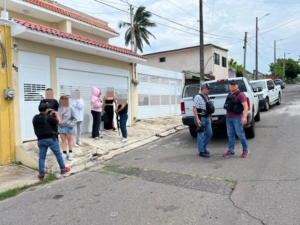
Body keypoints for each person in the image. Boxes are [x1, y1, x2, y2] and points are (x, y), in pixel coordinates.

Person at [32, 103, 70, 180]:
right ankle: (63, 169)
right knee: (58, 154)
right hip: (50, 139)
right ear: (46, 110)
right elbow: (59, 123)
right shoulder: (48, 117)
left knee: (42, 157)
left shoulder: (35, 118)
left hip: (40, 139)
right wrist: (57, 115)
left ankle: (41, 174)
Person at [223, 80, 249, 158]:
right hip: (229, 118)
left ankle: (245, 150)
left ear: (237, 85)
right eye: (231, 85)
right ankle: (231, 151)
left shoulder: (240, 94)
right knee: (230, 135)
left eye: (234, 85)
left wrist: (244, 117)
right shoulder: (229, 93)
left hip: (237, 118)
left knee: (240, 134)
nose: (232, 86)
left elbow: (245, 106)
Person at [193, 83, 214, 158]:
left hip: (207, 117)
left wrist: (210, 116)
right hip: (201, 118)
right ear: (203, 88)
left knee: (209, 134)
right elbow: (194, 108)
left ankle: (203, 147)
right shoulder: (198, 97)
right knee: (201, 135)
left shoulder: (207, 97)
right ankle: (201, 151)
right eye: (208, 89)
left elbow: (208, 107)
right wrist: (197, 119)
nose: (209, 90)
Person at [39, 88, 59, 156]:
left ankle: (55, 148)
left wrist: (53, 111)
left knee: (54, 133)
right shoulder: (42, 101)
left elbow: (58, 110)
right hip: (44, 120)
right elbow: (40, 109)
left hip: (52, 119)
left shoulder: (55, 101)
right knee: (46, 134)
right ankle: (47, 148)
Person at [58, 96, 77, 161]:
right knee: (63, 140)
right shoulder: (59, 108)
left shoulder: (71, 108)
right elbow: (57, 117)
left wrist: (71, 125)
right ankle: (64, 153)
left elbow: (75, 118)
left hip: (69, 126)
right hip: (61, 126)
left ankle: (70, 152)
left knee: (70, 140)